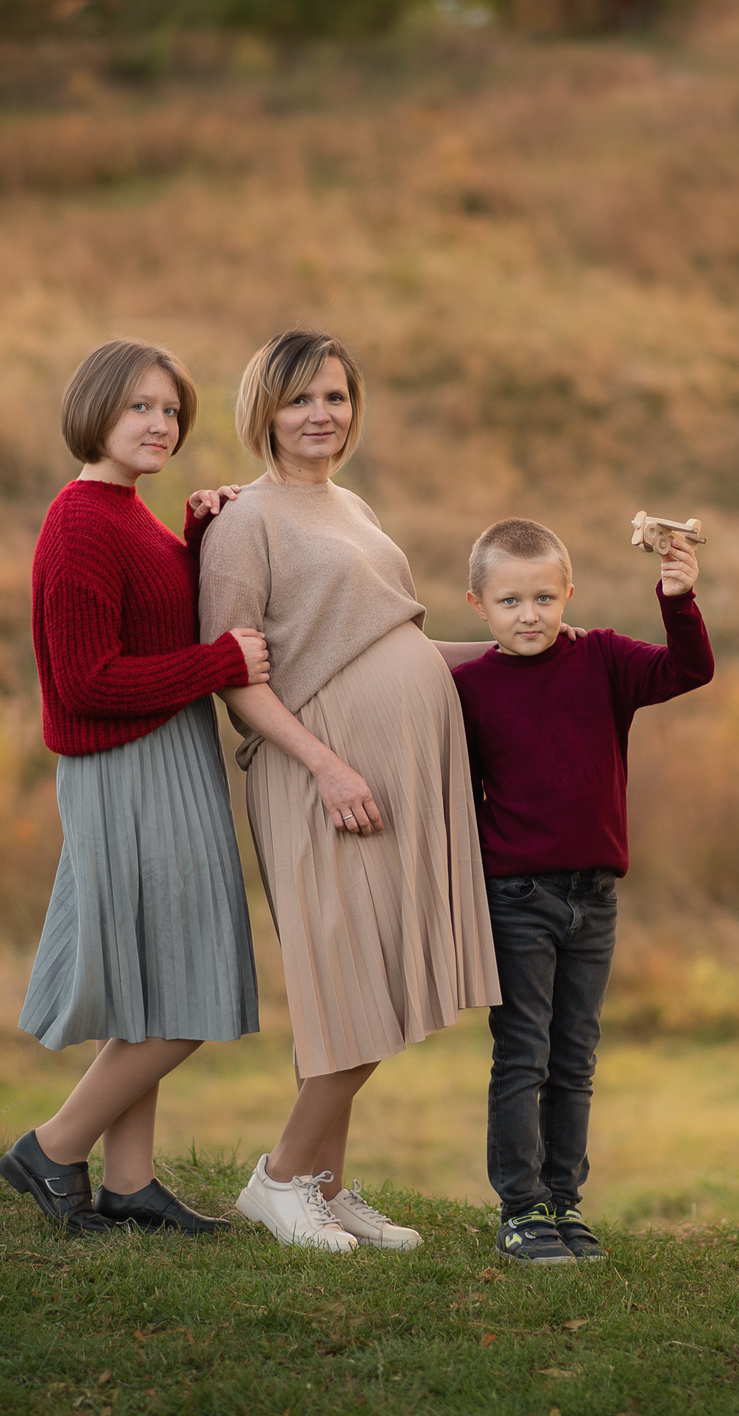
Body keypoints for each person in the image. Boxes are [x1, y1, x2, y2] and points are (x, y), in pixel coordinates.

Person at [195, 329, 502, 1254]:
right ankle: (281, 1179)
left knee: (367, 981)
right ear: (266, 412)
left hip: (399, 771)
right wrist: (327, 765)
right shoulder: (244, 522)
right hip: (322, 777)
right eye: (300, 400)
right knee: (353, 982)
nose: (321, 415)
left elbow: (387, 639)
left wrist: (519, 656)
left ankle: (325, 1186)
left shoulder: (353, 506)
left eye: (334, 397)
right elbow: (237, 677)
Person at [0, 340, 271, 1236]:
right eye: (140, 408)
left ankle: (132, 1184)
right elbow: (85, 681)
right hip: (127, 768)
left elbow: (146, 619)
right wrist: (219, 662)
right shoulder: (79, 521)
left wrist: (195, 537)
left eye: (171, 410)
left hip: (167, 755)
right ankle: (52, 1147)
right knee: (185, 991)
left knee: (152, 982)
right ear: (96, 413)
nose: (161, 424)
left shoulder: (129, 513)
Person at [450, 516, 713, 1264]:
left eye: (542, 596)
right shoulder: (467, 689)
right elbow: (453, 793)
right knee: (523, 1052)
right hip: (517, 898)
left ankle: (564, 1203)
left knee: (576, 1055)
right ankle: (521, 1209)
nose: (528, 614)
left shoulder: (600, 658)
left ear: (569, 591)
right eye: (509, 601)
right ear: (478, 605)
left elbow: (688, 670)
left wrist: (679, 599)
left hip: (594, 896)